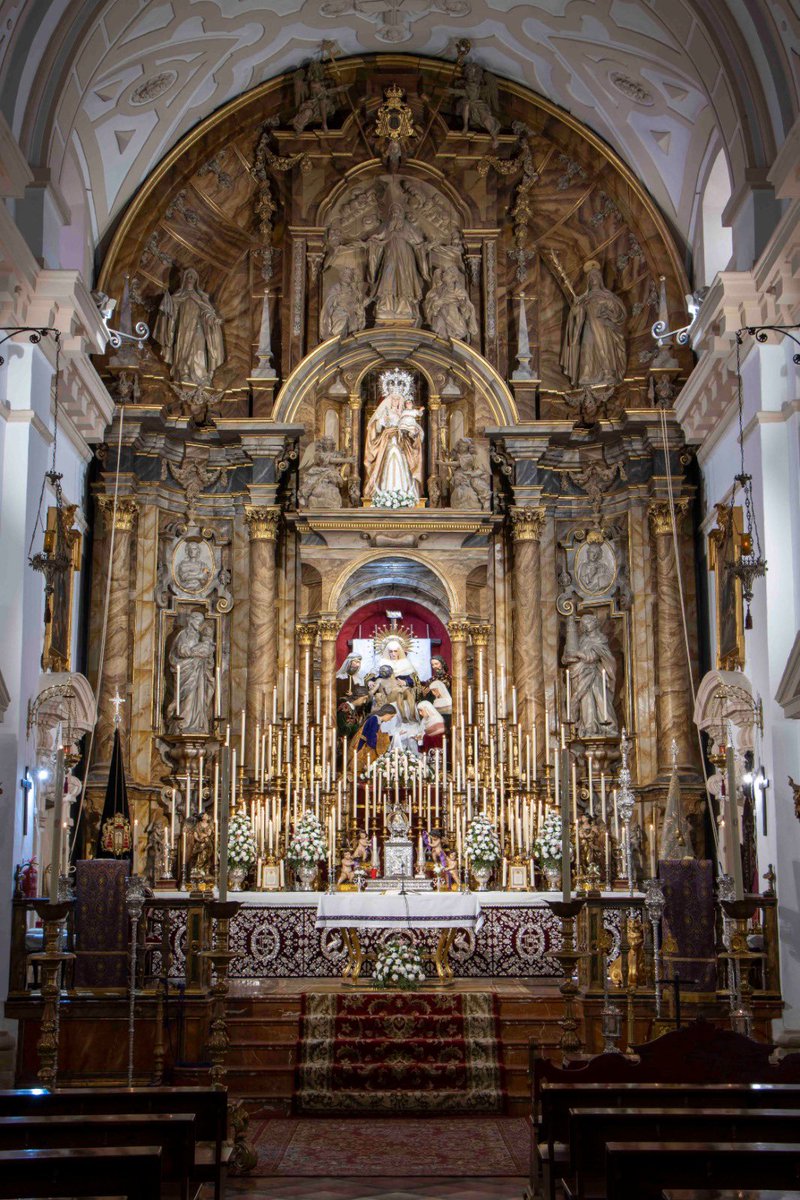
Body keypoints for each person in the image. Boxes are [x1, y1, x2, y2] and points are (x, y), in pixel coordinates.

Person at [560, 261, 626, 391]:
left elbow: (619, 312)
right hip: (589, 327)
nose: (593, 279)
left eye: (596, 276)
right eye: (591, 277)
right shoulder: (584, 299)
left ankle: (607, 373)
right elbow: (576, 315)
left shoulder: (608, 296)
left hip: (603, 327)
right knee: (587, 349)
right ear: (588, 282)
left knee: (604, 348)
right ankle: (586, 375)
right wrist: (576, 306)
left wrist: (608, 312)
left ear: (600, 280)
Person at [154, 268, 225, 386]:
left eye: (193, 276)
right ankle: (184, 373)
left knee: (199, 349)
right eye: (188, 276)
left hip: (198, 328)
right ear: (184, 279)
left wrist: (213, 320)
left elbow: (207, 312)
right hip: (183, 328)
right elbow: (170, 312)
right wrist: (166, 307)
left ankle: (201, 376)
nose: (190, 278)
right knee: (183, 349)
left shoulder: (201, 297)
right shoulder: (178, 296)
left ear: (196, 280)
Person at [169, 612, 216, 734]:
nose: (200, 623)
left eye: (201, 621)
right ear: (190, 620)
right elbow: (182, 651)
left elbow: (208, 656)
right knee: (187, 697)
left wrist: (206, 651)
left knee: (198, 697)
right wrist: (198, 651)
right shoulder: (184, 634)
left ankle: (197, 724)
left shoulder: (199, 636)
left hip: (199, 671)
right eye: (197, 620)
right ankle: (183, 724)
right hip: (186, 671)